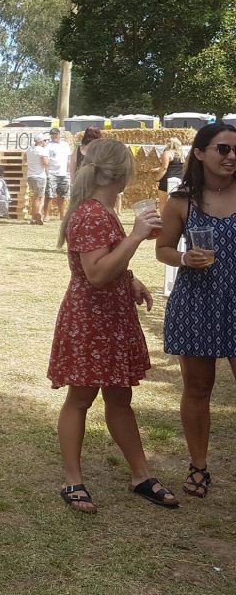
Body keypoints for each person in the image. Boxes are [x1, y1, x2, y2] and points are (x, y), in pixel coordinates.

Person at [48, 139, 179, 513]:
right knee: (80, 398)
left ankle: (141, 475)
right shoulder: (91, 214)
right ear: (123, 173)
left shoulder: (101, 210)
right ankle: (73, 481)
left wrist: (131, 278)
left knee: (120, 398)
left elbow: (108, 263)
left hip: (109, 317)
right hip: (92, 320)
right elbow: (95, 273)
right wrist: (135, 236)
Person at [155, 123, 236, 499]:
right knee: (198, 389)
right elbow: (163, 250)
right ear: (200, 153)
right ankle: (198, 466)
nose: (231, 156)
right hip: (197, 302)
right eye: (223, 149)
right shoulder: (182, 200)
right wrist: (185, 258)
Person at [43, 127, 72, 222]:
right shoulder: (48, 146)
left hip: (64, 173)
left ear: (59, 134)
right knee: (49, 195)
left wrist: (69, 171)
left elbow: (69, 158)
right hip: (52, 173)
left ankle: (62, 215)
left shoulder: (65, 145)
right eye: (52, 134)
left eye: (56, 134)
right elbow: (46, 159)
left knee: (62, 195)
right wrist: (46, 171)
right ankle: (46, 215)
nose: (54, 136)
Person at [25, 133, 51, 224]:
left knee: (37, 196)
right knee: (38, 198)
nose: (46, 142)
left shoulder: (29, 149)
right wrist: (48, 159)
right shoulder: (42, 150)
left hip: (30, 176)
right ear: (41, 141)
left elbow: (25, 158)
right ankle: (35, 217)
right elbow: (46, 163)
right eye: (45, 140)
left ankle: (36, 215)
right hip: (39, 176)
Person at [155, 136, 185, 210]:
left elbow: (164, 168)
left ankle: (163, 217)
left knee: (163, 202)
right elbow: (176, 167)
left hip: (167, 180)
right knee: (178, 202)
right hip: (180, 180)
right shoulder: (181, 154)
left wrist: (157, 179)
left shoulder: (167, 153)